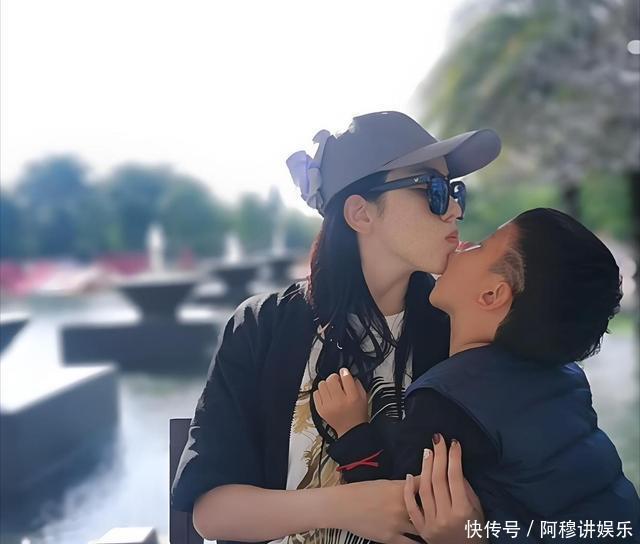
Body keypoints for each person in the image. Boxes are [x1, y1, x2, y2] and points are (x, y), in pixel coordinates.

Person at [170, 110, 502, 544]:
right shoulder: (262, 325)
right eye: (432, 190)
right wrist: (350, 505)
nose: (454, 209)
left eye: (455, 191)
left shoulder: (455, 329)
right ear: (361, 214)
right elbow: (213, 513)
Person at [314, 208, 640, 543]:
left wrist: (351, 431)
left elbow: (400, 517)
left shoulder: (449, 402)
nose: (463, 244)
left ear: (491, 295)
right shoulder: (565, 377)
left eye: (481, 246)